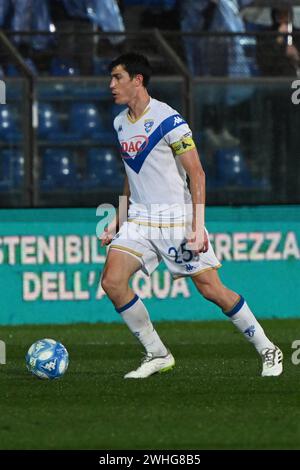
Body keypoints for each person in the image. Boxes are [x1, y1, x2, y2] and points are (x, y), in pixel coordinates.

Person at [100, 52, 283, 379]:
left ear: (137, 80)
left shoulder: (169, 120)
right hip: (140, 219)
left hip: (176, 219)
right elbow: (131, 172)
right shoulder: (119, 124)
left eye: (117, 77)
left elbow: (197, 175)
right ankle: (157, 353)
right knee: (113, 282)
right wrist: (119, 215)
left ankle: (268, 349)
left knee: (212, 289)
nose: (111, 85)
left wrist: (197, 228)